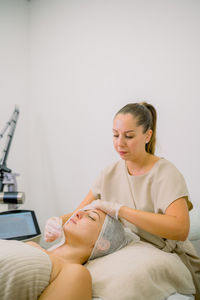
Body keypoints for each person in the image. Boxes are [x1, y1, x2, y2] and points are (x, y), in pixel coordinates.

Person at [44, 102, 200, 299]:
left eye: (129, 136)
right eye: (115, 135)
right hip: (124, 250)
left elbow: (180, 229)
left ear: (147, 135)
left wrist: (121, 210)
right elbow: (81, 211)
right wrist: (58, 221)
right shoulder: (109, 173)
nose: (120, 143)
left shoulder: (165, 173)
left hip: (165, 255)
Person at [0, 206, 132, 300]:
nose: (77, 214)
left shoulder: (74, 273)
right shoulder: (32, 245)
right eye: (83, 211)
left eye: (91, 217)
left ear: (102, 244)